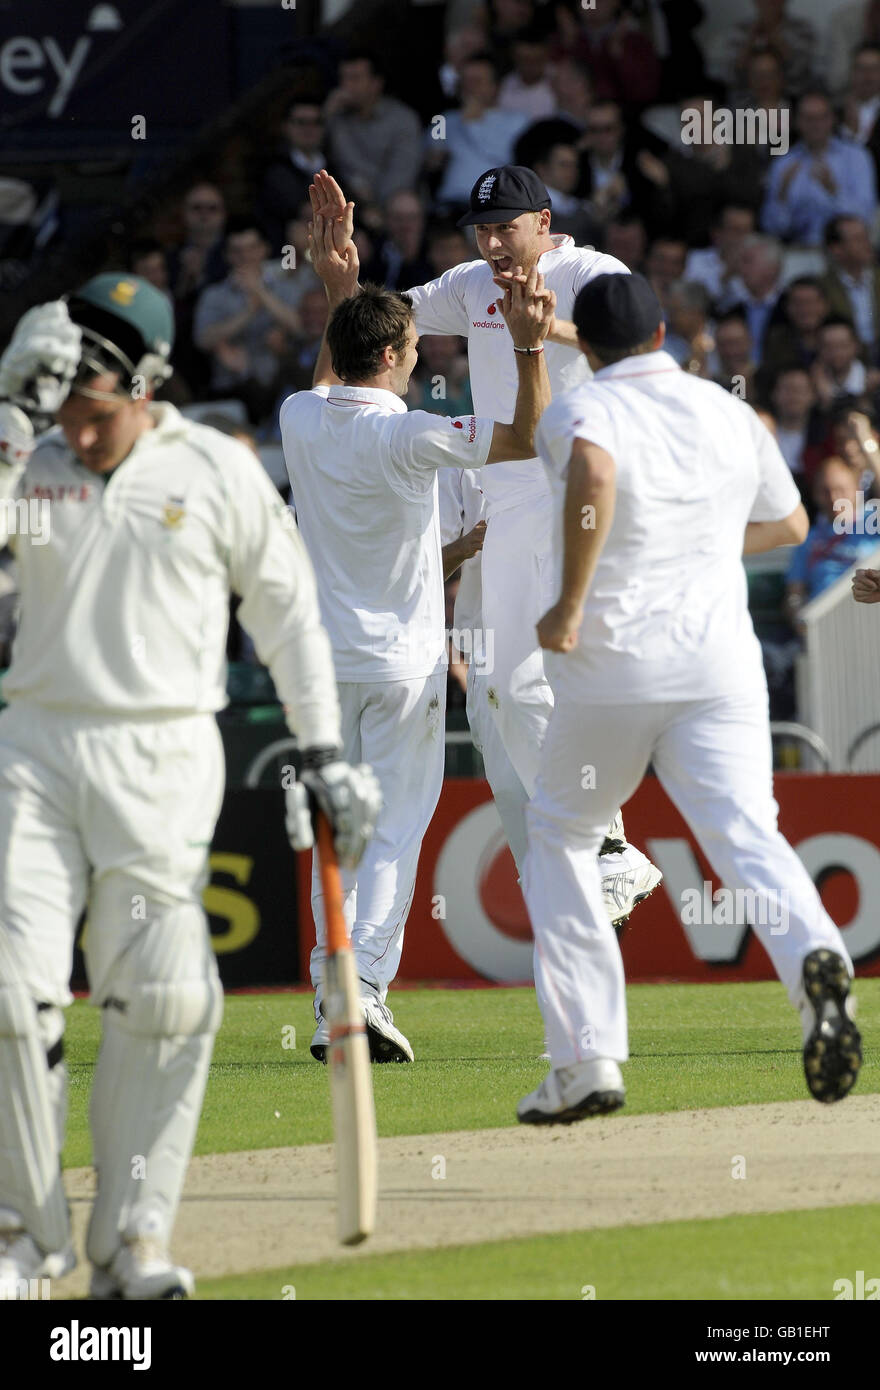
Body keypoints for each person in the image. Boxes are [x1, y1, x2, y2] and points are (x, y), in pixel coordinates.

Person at [0, 275, 380, 1297]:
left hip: (163, 756)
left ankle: (132, 1247)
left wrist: (326, 749)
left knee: (167, 1000)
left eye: (96, 414)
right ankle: (22, 1244)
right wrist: (8, 427)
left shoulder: (215, 468)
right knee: (7, 992)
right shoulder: (24, 460)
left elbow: (289, 614)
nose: (78, 436)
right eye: (62, 415)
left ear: (148, 382)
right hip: (32, 753)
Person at [517, 270, 861, 1123]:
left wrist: (565, 605)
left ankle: (587, 1058)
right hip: (719, 668)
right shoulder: (729, 411)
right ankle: (817, 959)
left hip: (612, 667)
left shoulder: (577, 411)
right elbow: (787, 527)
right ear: (665, 330)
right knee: (748, 833)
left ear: (584, 348)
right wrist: (697, 543)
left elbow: (594, 474)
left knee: (560, 833)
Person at [309, 164, 662, 931]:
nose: (496, 244)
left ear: (544, 222)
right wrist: (344, 280)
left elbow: (638, 342)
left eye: (508, 227)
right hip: (504, 499)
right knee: (502, 723)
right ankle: (582, 890)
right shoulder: (470, 285)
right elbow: (382, 335)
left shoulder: (588, 271)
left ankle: (607, 847)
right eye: (483, 230)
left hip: (570, 489)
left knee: (522, 686)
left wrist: (546, 331)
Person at [281, 201, 554, 1062]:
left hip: (321, 668)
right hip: (400, 666)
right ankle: (360, 996)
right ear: (397, 359)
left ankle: (336, 1002)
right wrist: (530, 343)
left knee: (340, 835)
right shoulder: (415, 436)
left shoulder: (296, 415)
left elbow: (332, 381)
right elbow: (524, 436)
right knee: (393, 829)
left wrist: (339, 289)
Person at [762, 90, 878, 248]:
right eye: (808, 119)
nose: (815, 124)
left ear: (832, 119)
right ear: (797, 122)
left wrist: (834, 191)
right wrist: (782, 196)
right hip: (797, 250)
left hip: (845, 250)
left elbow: (865, 216)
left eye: (821, 117)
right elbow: (772, 228)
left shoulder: (857, 157)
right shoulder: (783, 164)